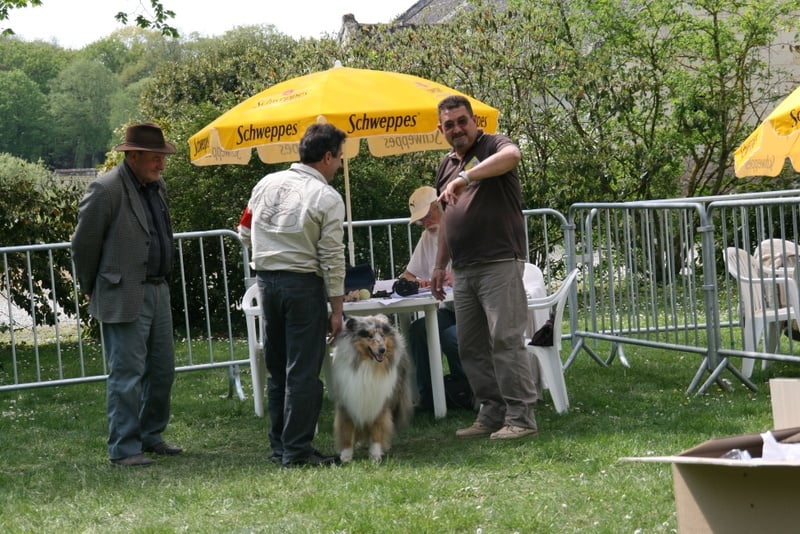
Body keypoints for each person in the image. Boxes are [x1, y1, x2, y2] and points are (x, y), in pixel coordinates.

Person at [71, 122, 182, 467]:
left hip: (158, 289)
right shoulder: (105, 189)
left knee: (162, 370)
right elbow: (83, 246)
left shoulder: (156, 185)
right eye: (155, 158)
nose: (161, 164)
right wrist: (91, 287)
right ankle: (124, 447)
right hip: (124, 293)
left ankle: (151, 435)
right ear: (133, 156)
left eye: (162, 158)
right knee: (127, 374)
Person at [430, 95, 538, 440]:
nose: (457, 129)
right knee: (471, 346)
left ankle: (521, 418)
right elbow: (447, 220)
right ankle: (491, 414)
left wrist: (466, 177)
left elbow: (513, 157)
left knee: (505, 340)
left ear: (474, 120)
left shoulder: (493, 143)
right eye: (449, 124)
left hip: (499, 261)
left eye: (462, 121)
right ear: (441, 129)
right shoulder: (445, 165)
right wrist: (438, 265)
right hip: (462, 269)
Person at [241, 123, 347, 467]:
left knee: (278, 369)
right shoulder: (328, 197)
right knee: (302, 372)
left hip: (267, 283)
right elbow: (332, 257)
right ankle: (298, 451)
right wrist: (337, 308)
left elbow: (244, 230)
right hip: (303, 285)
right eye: (339, 158)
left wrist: (270, 249)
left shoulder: (265, 184)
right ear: (327, 156)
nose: (340, 166)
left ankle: (281, 447)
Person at [401, 186, 470, 413]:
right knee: (418, 330)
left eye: (425, 216)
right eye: (419, 219)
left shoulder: (464, 227)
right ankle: (429, 397)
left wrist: (456, 276)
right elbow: (408, 274)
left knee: (451, 337)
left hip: (472, 308)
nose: (423, 222)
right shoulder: (428, 235)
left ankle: (470, 392)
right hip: (450, 308)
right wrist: (415, 281)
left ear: (438, 206)